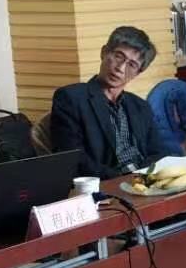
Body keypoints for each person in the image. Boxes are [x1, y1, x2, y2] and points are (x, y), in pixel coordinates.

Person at [51, 26, 171, 178]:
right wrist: (121, 179)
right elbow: (73, 159)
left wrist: (142, 177)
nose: (120, 68)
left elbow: (158, 153)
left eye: (132, 65)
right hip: (104, 183)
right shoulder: (71, 98)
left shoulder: (141, 106)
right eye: (118, 56)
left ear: (138, 73)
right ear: (104, 52)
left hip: (142, 181)